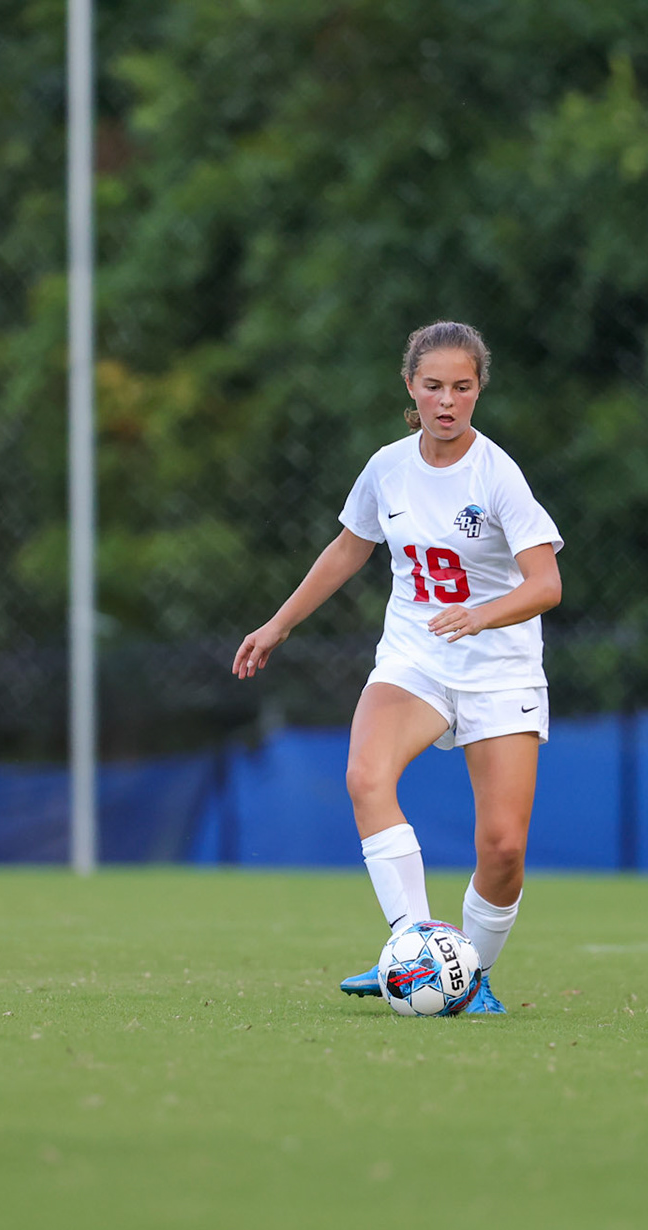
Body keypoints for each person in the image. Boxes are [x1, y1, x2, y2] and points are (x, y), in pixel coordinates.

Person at [232, 321, 563, 1013]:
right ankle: (414, 950)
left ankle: (470, 977)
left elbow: (545, 585)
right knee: (365, 777)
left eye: (462, 387)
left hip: (500, 671)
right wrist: (277, 624)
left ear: (479, 390)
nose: (447, 401)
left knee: (503, 849)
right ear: (410, 386)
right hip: (416, 658)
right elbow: (348, 549)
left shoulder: (496, 473)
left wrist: (482, 614)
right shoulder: (387, 467)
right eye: (433, 386)